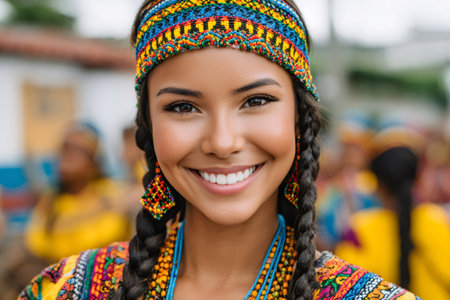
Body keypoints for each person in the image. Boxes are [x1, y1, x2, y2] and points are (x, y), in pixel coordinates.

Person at [19, 1, 420, 299]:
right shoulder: (70, 287)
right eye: (183, 107)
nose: (223, 142)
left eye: (256, 101)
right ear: (149, 128)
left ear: (299, 119)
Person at [335, 146, 450, 299]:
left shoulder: (359, 227)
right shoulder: (436, 220)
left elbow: (346, 286)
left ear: (379, 186)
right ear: (418, 179)